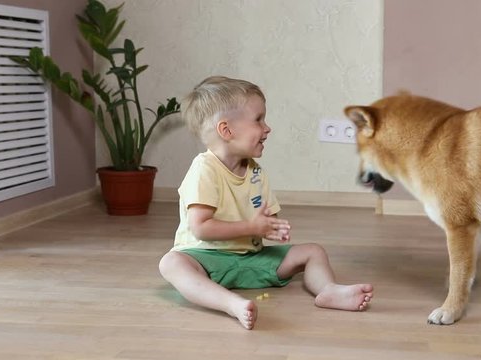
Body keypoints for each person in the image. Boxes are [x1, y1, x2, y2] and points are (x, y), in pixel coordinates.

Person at [158, 76, 373, 330]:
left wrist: (272, 227)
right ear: (227, 131)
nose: (267, 128)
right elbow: (201, 228)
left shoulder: (256, 172)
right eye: (258, 119)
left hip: (250, 258)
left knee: (313, 251)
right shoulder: (204, 169)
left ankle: (328, 291)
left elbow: (263, 220)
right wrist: (252, 227)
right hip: (206, 259)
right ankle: (230, 303)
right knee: (171, 264)